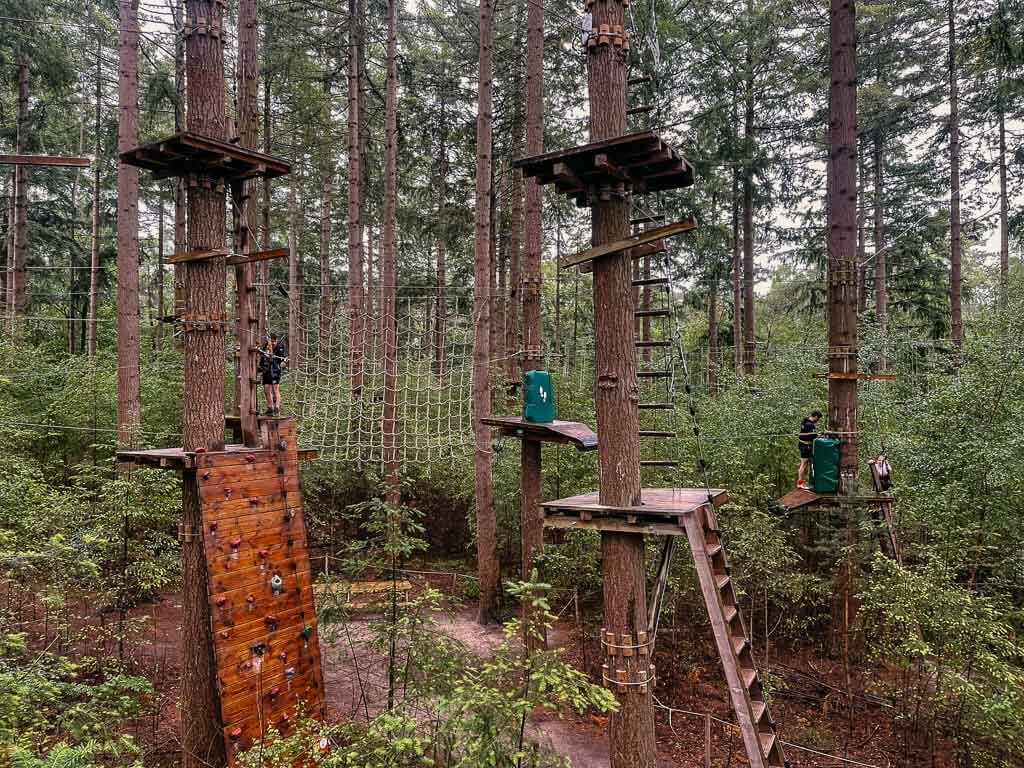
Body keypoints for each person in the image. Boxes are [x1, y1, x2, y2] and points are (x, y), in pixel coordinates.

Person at [258, 333, 287, 416]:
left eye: (274, 341)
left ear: (276, 340)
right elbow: (262, 355)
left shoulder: (280, 346)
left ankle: (277, 408)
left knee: (275, 389)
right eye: (271, 341)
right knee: (266, 389)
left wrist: (283, 362)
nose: (272, 343)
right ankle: (270, 407)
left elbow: (283, 358)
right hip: (266, 370)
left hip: (275, 370)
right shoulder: (266, 346)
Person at [797, 410, 822, 490]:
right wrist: (820, 435)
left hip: (802, 444)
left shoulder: (805, 420)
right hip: (805, 446)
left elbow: (809, 434)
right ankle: (800, 483)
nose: (817, 421)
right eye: (818, 419)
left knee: (805, 463)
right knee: (803, 464)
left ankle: (802, 482)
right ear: (815, 417)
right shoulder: (810, 425)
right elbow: (813, 436)